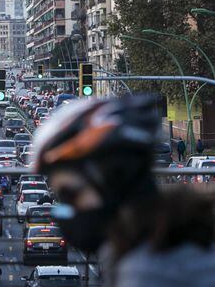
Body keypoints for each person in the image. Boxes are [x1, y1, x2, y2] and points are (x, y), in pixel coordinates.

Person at [33, 96, 215, 287]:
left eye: (70, 194)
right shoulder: (181, 241)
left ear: (113, 179)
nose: (64, 210)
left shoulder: (148, 272)